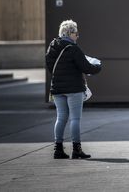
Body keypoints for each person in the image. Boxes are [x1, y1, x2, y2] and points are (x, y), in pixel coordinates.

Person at [45, 20, 101, 159]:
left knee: (61, 118)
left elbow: (51, 68)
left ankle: (58, 149)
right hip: (74, 89)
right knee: (75, 119)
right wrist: (98, 66)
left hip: (57, 88)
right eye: (76, 33)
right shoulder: (73, 48)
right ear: (69, 33)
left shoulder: (52, 48)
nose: (77, 36)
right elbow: (86, 68)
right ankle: (76, 149)